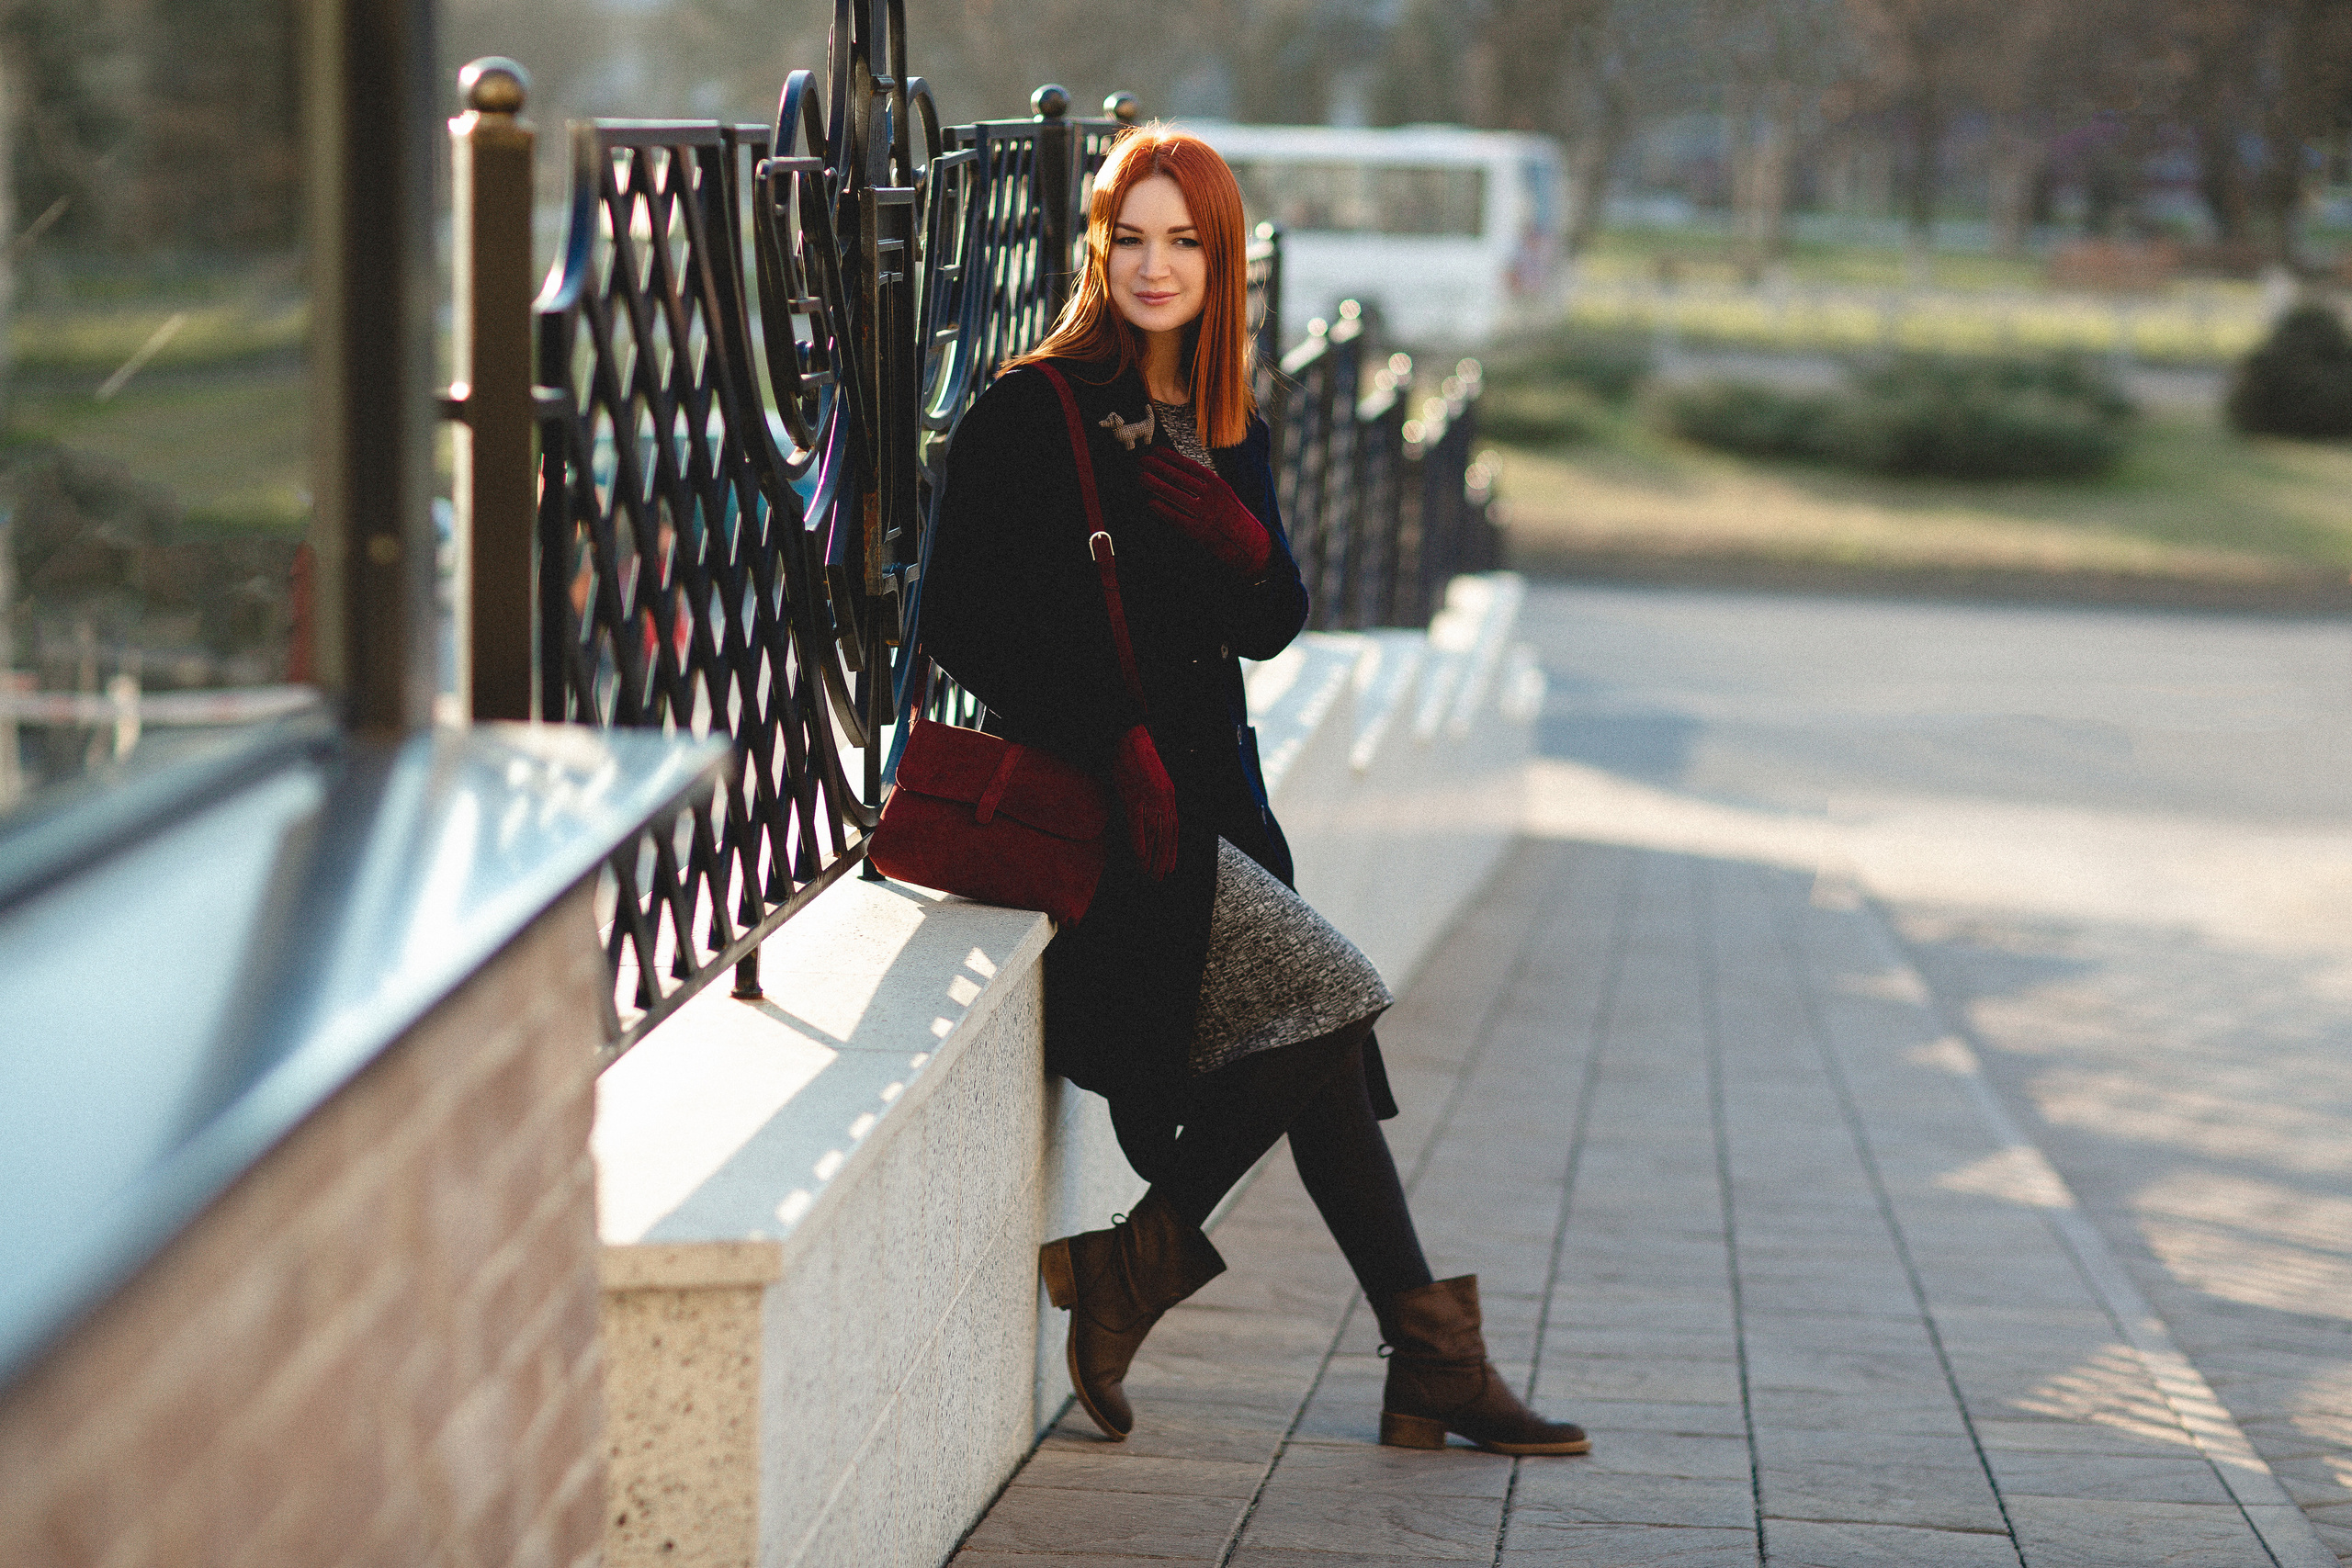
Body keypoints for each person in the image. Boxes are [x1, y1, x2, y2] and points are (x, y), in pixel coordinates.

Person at [920, 125, 1586, 1458]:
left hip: (1212, 812)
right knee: (1331, 1009)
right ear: (1096, 246)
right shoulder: (1027, 410)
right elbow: (958, 623)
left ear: (1222, 264)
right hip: (1097, 817)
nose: (1155, 266)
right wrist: (1111, 733)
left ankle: (1422, 1355)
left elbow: (1269, 625)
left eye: (1188, 242)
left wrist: (1247, 545)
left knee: (1323, 1060)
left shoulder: (1232, 424)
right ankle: (1175, 1284)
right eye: (1133, 237)